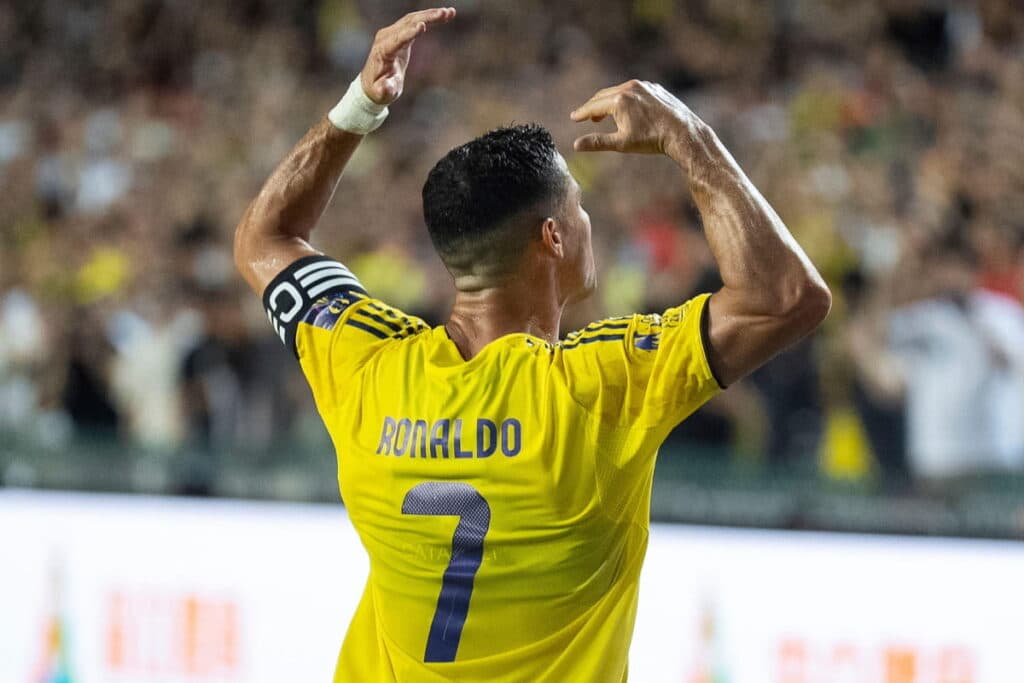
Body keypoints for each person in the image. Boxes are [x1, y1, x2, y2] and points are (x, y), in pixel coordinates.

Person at [233, 8, 830, 682]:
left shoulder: (364, 362)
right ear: (553, 236)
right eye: (580, 208)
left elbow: (265, 239)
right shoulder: (596, 385)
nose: (588, 222)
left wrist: (359, 107)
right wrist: (690, 138)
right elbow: (787, 296)